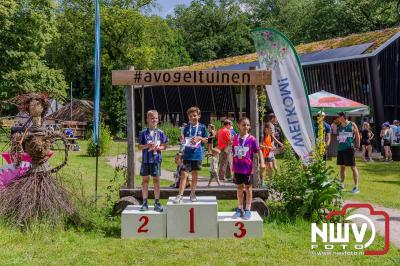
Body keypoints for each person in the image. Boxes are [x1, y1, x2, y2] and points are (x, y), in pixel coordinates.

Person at [232, 117, 265, 220]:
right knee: (239, 188)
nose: (246, 127)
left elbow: (258, 150)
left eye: (247, 125)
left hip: (247, 168)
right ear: (239, 125)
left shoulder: (252, 139)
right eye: (243, 125)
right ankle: (240, 208)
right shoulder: (235, 138)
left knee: (248, 188)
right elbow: (233, 151)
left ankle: (248, 209)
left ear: (249, 126)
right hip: (237, 168)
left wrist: (262, 162)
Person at [173, 107, 208, 203]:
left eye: (195, 115)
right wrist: (182, 140)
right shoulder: (186, 128)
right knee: (184, 174)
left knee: (195, 175)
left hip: (197, 155)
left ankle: (192, 194)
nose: (193, 117)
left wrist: (199, 138)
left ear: (199, 116)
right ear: (188, 117)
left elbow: (207, 140)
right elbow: (184, 142)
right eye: (191, 116)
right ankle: (180, 195)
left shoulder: (202, 127)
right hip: (187, 155)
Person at [138, 110, 168, 212]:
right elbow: (139, 147)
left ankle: (157, 202)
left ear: (158, 120)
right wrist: (147, 146)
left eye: (155, 118)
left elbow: (165, 146)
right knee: (145, 181)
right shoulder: (143, 132)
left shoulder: (161, 133)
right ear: (147, 120)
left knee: (156, 181)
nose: (154, 120)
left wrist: (158, 148)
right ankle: (145, 202)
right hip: (146, 160)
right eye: (151, 118)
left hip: (156, 160)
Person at [336, 112, 361, 193]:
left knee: (353, 167)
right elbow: (339, 137)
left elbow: (357, 135)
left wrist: (357, 146)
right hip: (340, 149)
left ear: (343, 117)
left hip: (349, 148)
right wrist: (339, 138)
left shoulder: (352, 124)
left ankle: (356, 187)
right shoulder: (339, 126)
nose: (338, 118)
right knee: (342, 168)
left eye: (339, 117)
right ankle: (342, 185)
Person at [260, 122, 275, 187]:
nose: (271, 131)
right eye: (270, 129)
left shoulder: (270, 136)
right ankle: (261, 181)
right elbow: (259, 145)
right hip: (262, 155)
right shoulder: (262, 136)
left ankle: (270, 181)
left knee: (271, 167)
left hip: (268, 154)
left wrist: (273, 146)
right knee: (262, 168)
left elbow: (270, 143)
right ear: (265, 129)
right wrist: (268, 147)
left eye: (271, 130)